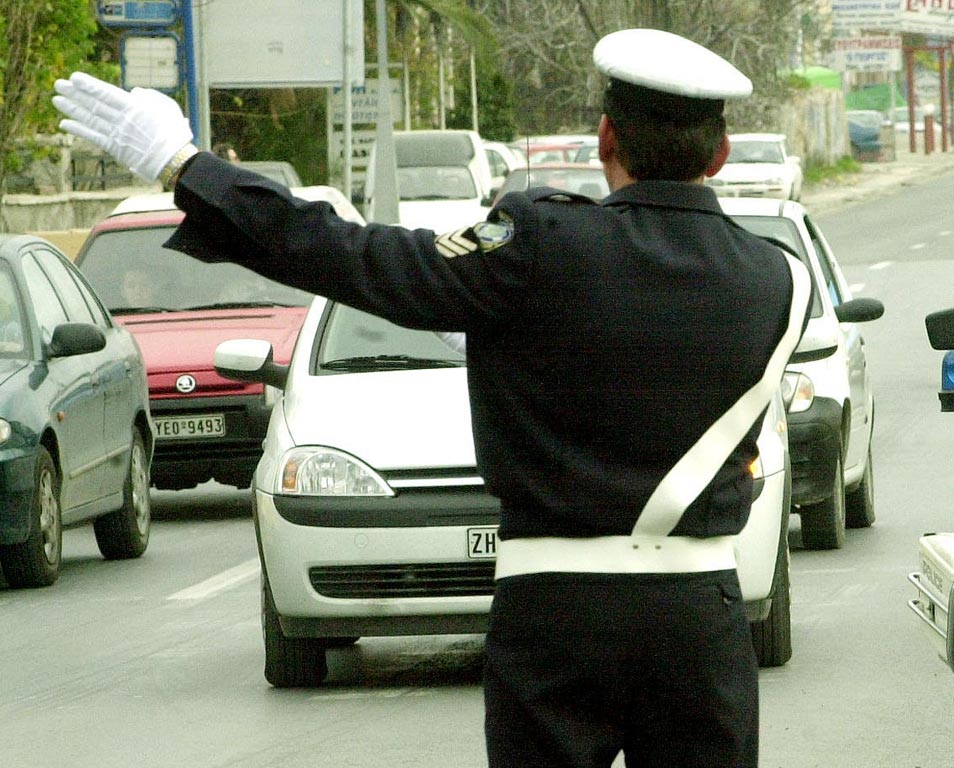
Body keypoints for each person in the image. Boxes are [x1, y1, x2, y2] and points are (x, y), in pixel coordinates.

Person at [53, 28, 812, 768]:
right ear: (718, 153)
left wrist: (185, 164)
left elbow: (351, 255)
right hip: (698, 614)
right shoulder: (780, 279)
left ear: (604, 137)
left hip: (553, 609)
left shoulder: (536, 246)